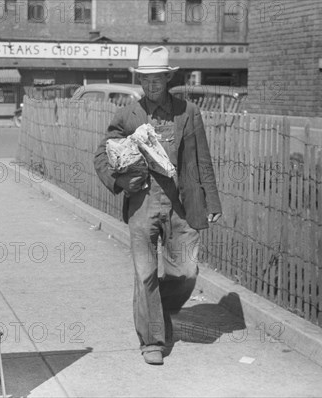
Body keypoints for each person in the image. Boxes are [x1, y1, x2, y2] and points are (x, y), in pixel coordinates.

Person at [94, 47, 222, 365]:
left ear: (168, 78)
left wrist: (212, 199)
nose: (151, 85)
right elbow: (102, 154)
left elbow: (202, 158)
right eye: (145, 80)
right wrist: (120, 183)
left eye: (157, 79)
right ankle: (152, 340)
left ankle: (154, 309)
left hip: (181, 205)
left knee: (186, 271)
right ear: (140, 80)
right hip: (143, 205)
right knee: (146, 274)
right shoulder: (127, 115)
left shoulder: (187, 112)